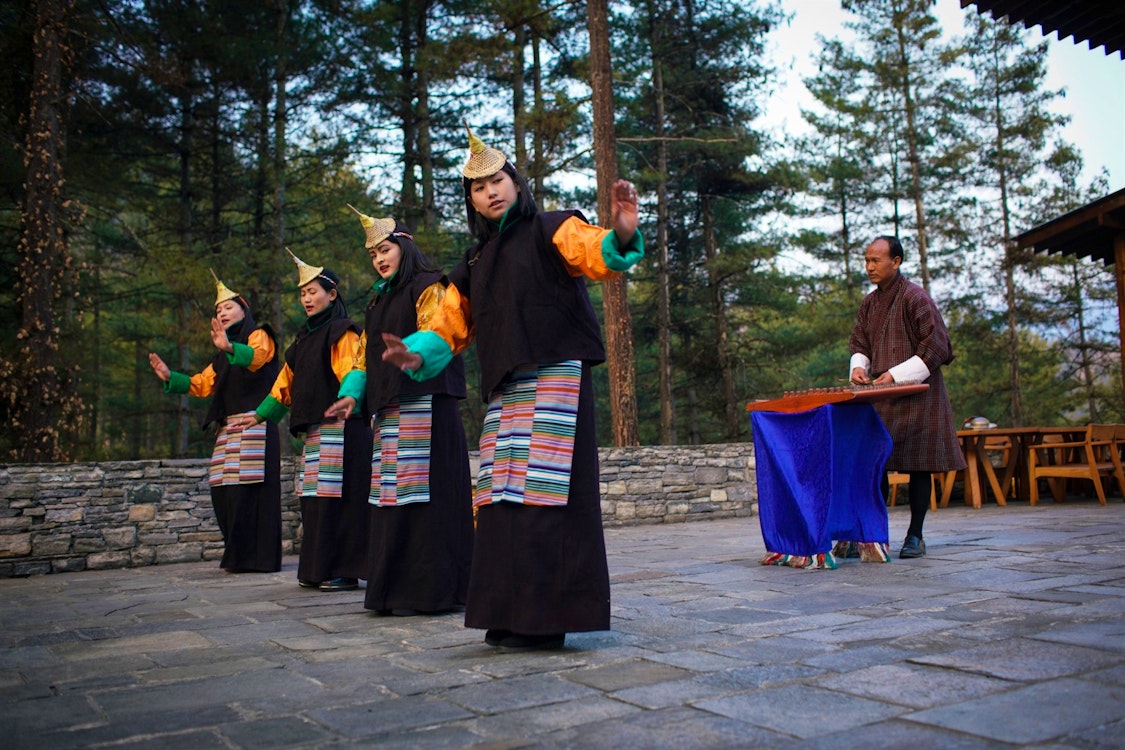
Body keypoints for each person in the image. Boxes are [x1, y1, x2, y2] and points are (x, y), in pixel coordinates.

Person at [382, 125, 643, 650]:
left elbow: (598, 252)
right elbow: (448, 327)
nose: (491, 192)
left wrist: (621, 234)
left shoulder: (552, 228)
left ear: (516, 183)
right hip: (508, 391)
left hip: (556, 381)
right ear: (471, 200)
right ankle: (506, 613)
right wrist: (416, 354)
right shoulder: (474, 262)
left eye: (498, 180)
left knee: (545, 499)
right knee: (500, 501)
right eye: (479, 188)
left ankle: (545, 621)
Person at [325, 207, 473, 616]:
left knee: (425, 501)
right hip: (388, 412)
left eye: (385, 249)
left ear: (405, 247)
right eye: (373, 255)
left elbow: (438, 329)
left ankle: (429, 592)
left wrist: (416, 354)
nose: (379, 259)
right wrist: (353, 394)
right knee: (390, 499)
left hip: (427, 408)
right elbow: (361, 359)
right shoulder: (376, 301)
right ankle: (393, 590)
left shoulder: (431, 287)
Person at [230, 251, 372, 591]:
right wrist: (260, 415)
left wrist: (348, 397)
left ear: (332, 294)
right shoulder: (302, 340)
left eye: (313, 291)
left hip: (344, 429)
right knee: (316, 499)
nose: (307, 298)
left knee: (340, 500)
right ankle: (318, 568)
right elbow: (285, 386)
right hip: (316, 432)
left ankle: (343, 569)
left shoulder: (344, 331)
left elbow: (356, 368)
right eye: (302, 293)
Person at [148, 272, 282, 573]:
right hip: (226, 429)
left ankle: (256, 558)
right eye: (218, 310)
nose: (221, 312)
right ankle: (237, 554)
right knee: (222, 492)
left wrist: (231, 348)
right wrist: (171, 377)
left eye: (228, 308)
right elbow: (202, 383)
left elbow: (258, 358)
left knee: (248, 493)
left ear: (244, 310)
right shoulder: (221, 354)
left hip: (254, 425)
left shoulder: (258, 335)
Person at [849, 235, 966, 559]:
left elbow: (938, 345)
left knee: (919, 467)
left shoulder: (916, 297)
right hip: (884, 398)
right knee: (878, 464)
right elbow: (859, 342)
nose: (870, 267)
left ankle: (916, 536)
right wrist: (859, 367)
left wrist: (896, 375)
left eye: (876, 260)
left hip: (919, 397)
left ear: (896, 262)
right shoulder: (869, 304)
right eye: (867, 260)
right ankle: (875, 535)